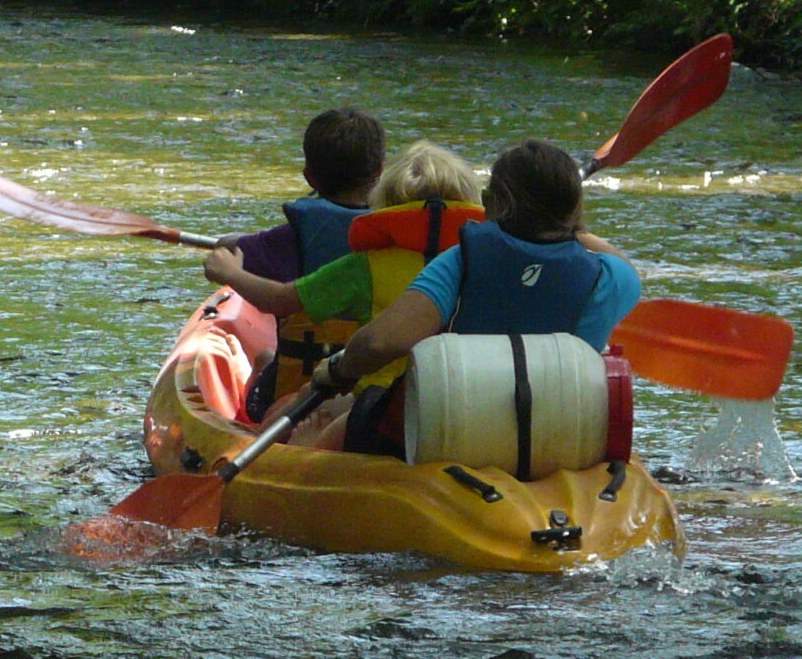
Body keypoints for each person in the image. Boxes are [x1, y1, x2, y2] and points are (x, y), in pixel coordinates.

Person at [301, 140, 640, 432]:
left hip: (464, 431)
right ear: (574, 209)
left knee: (361, 410)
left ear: (490, 203)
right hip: (562, 435)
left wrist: (338, 371)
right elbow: (619, 263)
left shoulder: (462, 261)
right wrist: (570, 225)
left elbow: (379, 343)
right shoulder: (610, 276)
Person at [206, 138, 485, 419]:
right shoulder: (480, 264)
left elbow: (280, 300)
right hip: (462, 403)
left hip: (376, 403)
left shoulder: (365, 267)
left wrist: (230, 273)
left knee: (285, 409)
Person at [215, 107, 387, 284]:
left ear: (309, 178)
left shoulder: (290, 238)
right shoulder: (397, 230)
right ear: (381, 170)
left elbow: (226, 249)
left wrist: (224, 242)